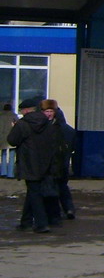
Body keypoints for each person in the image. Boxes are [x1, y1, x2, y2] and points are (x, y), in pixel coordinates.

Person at [7, 99, 62, 233]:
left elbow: (12, 140)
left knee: (34, 194)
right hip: (45, 163)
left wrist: (14, 128)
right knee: (33, 192)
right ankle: (25, 222)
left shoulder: (23, 124)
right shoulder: (47, 124)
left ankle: (41, 224)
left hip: (29, 163)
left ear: (25, 110)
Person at [50, 101, 77, 220]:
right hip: (65, 162)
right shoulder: (69, 130)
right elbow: (75, 146)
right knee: (63, 187)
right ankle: (69, 208)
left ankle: (54, 212)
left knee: (51, 187)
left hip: (53, 163)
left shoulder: (50, 130)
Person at [1, 102, 17, 178]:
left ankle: (3, 172)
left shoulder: (1, 116)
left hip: (2, 137)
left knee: (3, 155)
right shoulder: (14, 116)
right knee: (12, 155)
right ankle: (10, 174)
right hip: (12, 136)